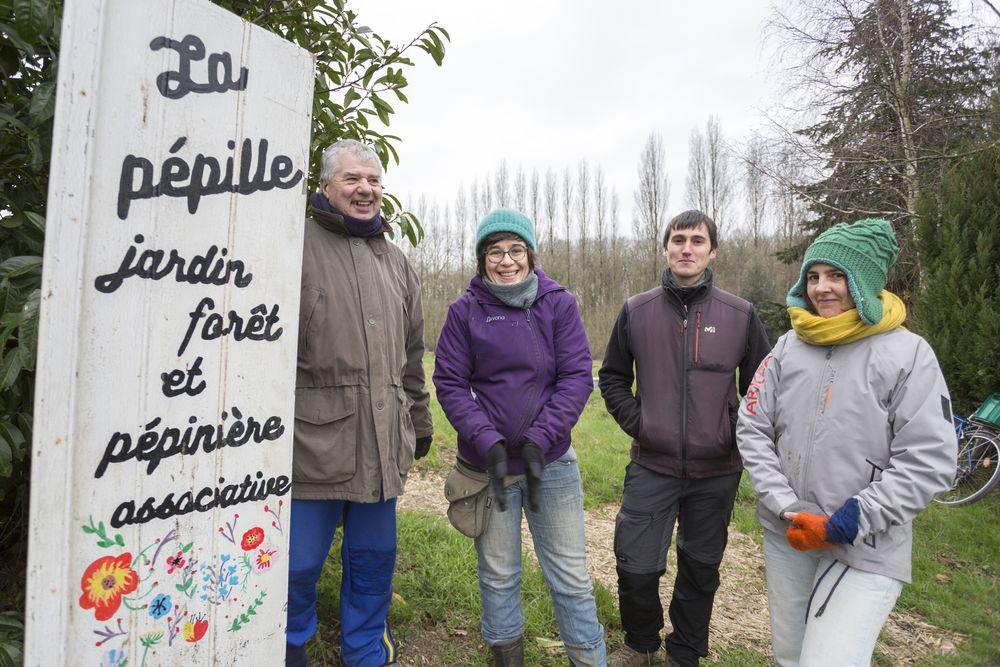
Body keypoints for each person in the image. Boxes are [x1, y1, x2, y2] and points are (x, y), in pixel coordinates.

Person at [736, 218, 956, 666]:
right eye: (813, 277)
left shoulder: (909, 354)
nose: (822, 289)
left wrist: (855, 518)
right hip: (790, 535)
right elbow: (752, 427)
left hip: (866, 545)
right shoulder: (786, 348)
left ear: (865, 281)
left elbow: (929, 459)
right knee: (790, 656)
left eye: (837, 275)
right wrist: (785, 506)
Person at [433, 208, 607, 667]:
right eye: (494, 251)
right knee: (498, 574)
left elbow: (576, 377)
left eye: (515, 250)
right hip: (487, 467)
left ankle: (588, 659)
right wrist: (486, 439)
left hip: (550, 463)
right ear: (481, 258)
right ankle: (506, 658)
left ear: (529, 254)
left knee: (570, 576)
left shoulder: (558, 304)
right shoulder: (464, 311)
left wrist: (540, 438)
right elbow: (450, 382)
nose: (505, 261)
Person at [598, 210, 771, 666]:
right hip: (651, 464)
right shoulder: (636, 310)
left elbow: (763, 389)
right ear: (665, 249)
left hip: (716, 472)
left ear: (712, 251)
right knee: (635, 564)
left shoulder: (740, 315)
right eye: (678, 240)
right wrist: (641, 422)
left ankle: (685, 652)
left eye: (697, 241)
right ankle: (640, 645)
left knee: (699, 569)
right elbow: (612, 377)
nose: (686, 248)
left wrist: (731, 433)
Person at [286, 139, 433, 667]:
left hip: (382, 445)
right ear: (324, 186)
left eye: (373, 181)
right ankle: (288, 646)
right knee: (296, 566)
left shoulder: (396, 261)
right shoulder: (291, 246)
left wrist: (419, 419)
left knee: (373, 562)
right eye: (352, 179)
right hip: (309, 449)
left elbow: (412, 358)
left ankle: (365, 650)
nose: (365, 189)